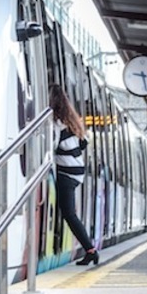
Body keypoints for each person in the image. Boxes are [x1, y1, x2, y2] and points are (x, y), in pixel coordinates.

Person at [49, 84, 99, 266]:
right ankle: (89, 250)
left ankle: (90, 250)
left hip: (67, 173)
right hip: (76, 171)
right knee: (68, 212)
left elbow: (51, 147)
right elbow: (84, 142)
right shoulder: (71, 120)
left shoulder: (56, 123)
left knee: (69, 214)